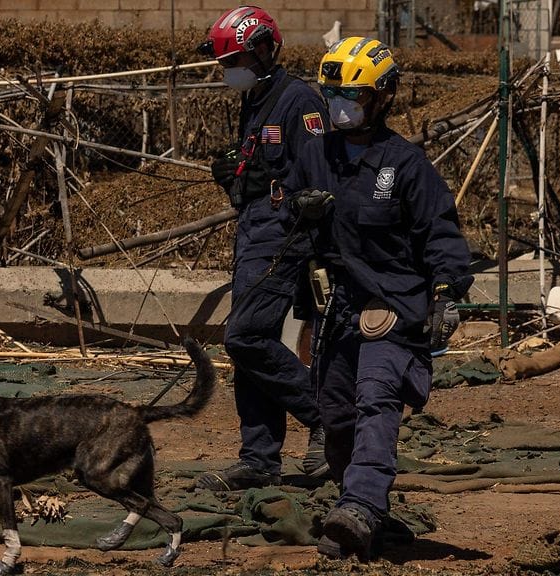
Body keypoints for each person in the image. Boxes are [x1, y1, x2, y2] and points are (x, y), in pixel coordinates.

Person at [284, 37, 473, 559]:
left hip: (393, 303)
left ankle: (362, 507)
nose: (341, 105)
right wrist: (299, 211)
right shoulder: (315, 155)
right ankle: (358, 501)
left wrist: (445, 291)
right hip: (337, 308)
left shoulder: (406, 165)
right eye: (333, 94)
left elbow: (441, 234)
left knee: (376, 398)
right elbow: (285, 214)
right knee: (336, 412)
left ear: (383, 96)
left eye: (353, 95)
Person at [193, 5, 329, 491]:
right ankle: (259, 458)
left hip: (284, 239)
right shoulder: (255, 100)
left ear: (266, 50)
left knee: (244, 338)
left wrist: (296, 209)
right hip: (253, 235)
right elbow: (266, 173)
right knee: (252, 347)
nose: (231, 73)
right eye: (226, 65)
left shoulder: (300, 102)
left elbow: (317, 184)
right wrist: (238, 180)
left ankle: (326, 416)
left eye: (237, 62)